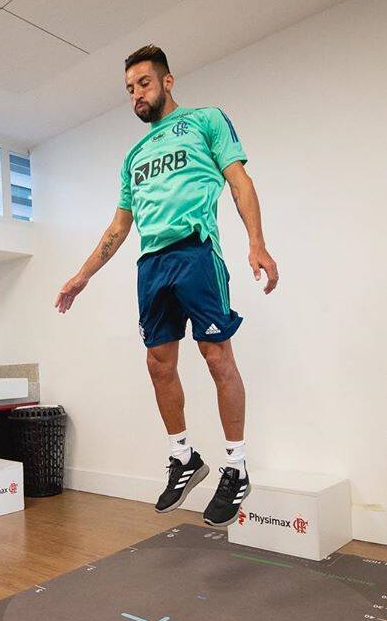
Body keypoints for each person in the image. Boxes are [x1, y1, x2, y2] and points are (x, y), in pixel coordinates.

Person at [54, 45, 278, 527]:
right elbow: (118, 228)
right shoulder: (133, 156)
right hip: (150, 264)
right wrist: (81, 276)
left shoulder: (205, 120)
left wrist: (256, 242)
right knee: (159, 364)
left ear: (168, 82)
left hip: (196, 252)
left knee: (217, 355)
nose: (137, 94)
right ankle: (184, 457)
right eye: (130, 89)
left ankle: (236, 465)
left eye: (144, 84)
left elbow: (240, 181)